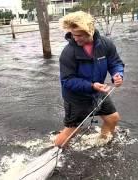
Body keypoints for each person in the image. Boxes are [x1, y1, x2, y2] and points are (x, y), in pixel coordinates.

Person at [55, 11, 125, 148]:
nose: (75, 38)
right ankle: (54, 151)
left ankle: (102, 144)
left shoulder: (105, 44)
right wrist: (91, 85)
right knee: (72, 130)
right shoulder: (68, 53)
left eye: (79, 35)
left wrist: (118, 74)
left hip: (98, 92)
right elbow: (67, 81)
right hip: (76, 97)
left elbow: (115, 62)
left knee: (112, 119)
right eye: (73, 35)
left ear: (90, 31)